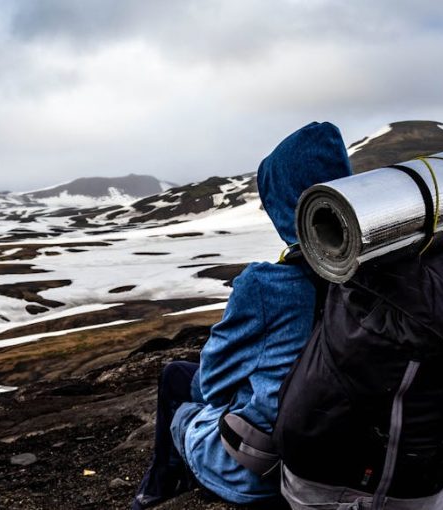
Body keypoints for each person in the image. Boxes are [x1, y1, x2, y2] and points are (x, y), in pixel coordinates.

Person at [133, 122, 353, 508]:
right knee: (179, 376)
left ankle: (155, 493)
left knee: (180, 388)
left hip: (264, 469)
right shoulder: (377, 275)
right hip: (347, 454)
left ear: (287, 203)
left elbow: (214, 383)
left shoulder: (268, 285)